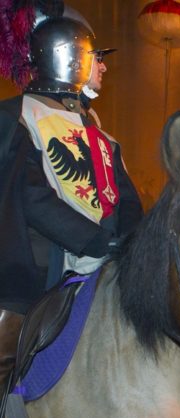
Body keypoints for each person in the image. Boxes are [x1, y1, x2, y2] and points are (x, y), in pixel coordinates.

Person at [0, 5, 142, 389]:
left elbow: (126, 200)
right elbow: (30, 196)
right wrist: (95, 240)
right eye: (98, 58)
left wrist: (131, 244)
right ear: (71, 58)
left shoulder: (97, 131)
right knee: (3, 356)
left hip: (106, 266)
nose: (104, 68)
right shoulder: (15, 117)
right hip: (34, 274)